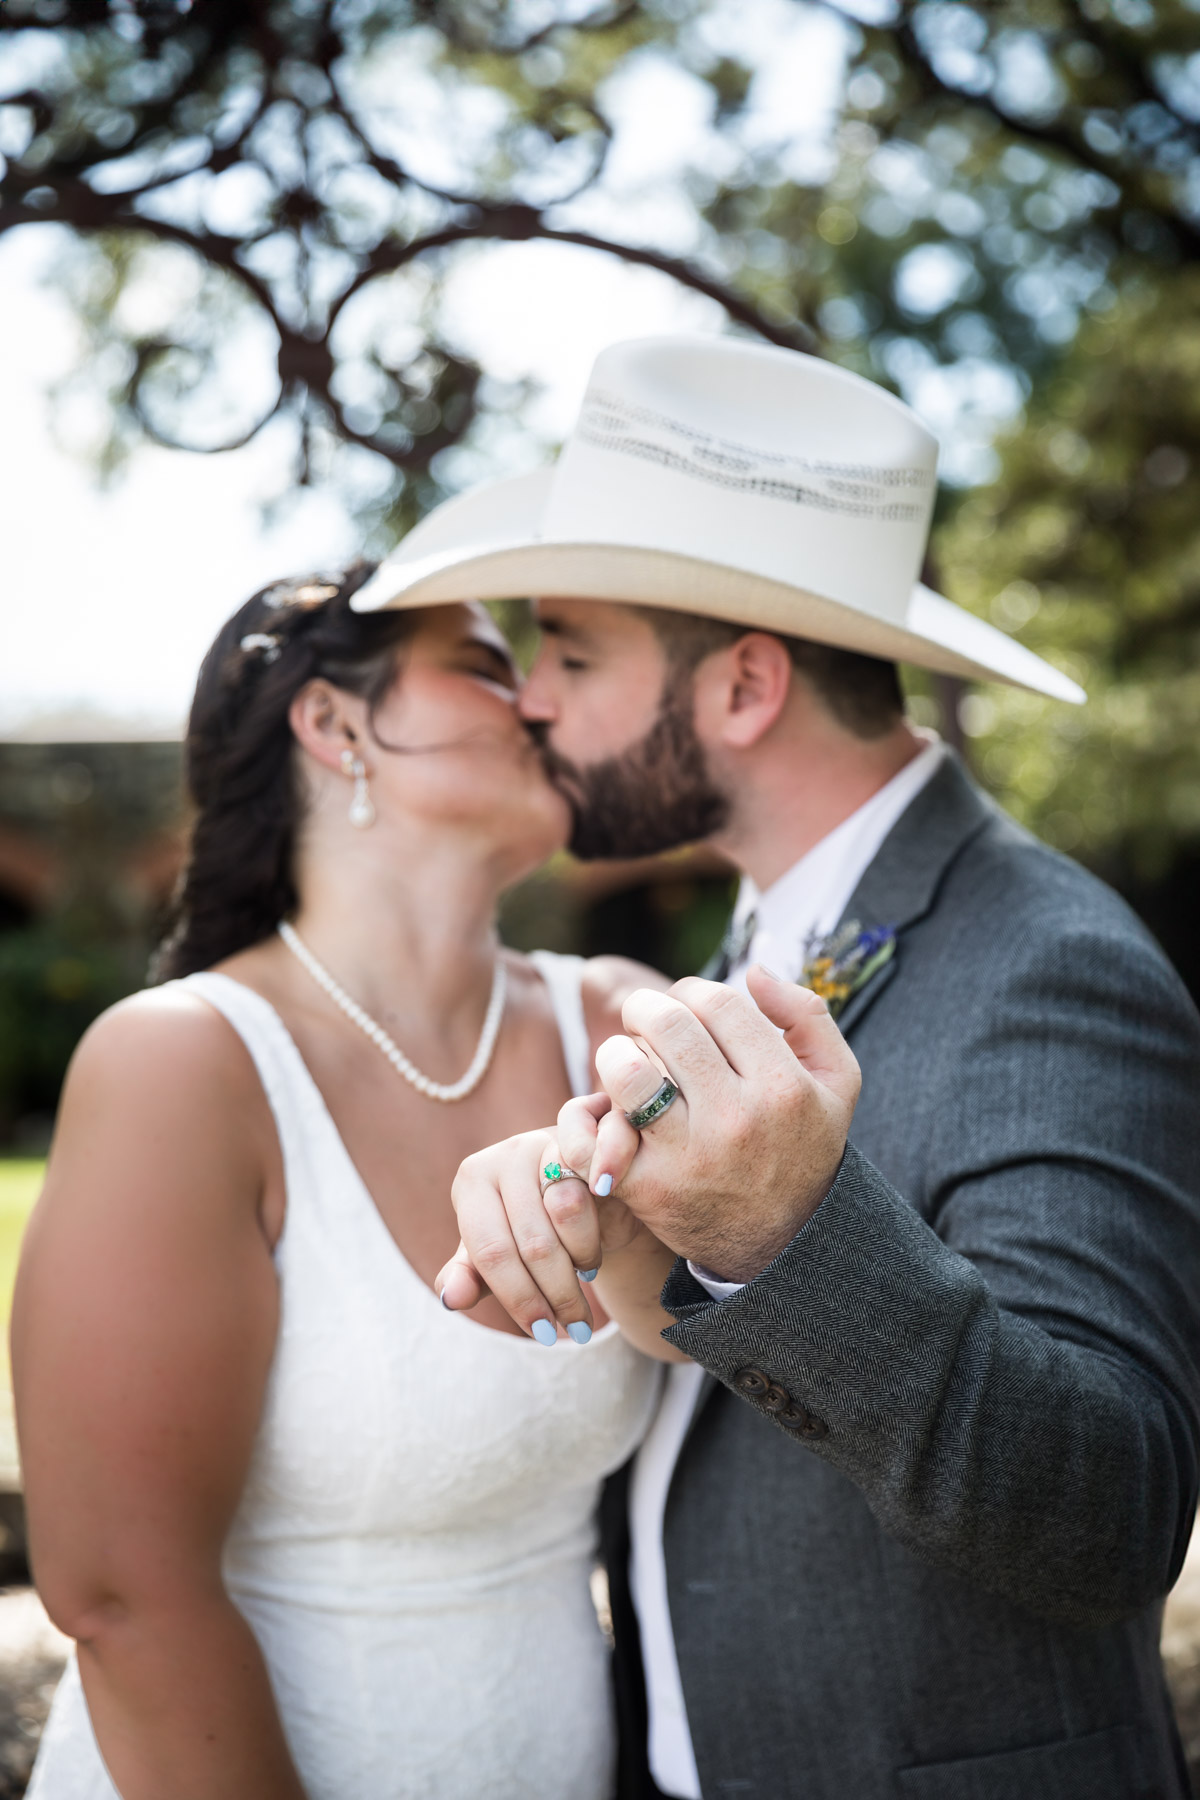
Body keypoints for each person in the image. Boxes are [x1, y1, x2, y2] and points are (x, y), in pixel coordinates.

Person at [354, 336, 1200, 1797]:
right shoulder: (761, 933)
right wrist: (628, 1259)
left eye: (572, 652)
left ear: (745, 686)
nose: (534, 700)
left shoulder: (1052, 958)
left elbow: (1111, 1513)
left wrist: (781, 1236)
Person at [12, 566, 669, 1800]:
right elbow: (120, 1598)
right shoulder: (184, 1062)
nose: (538, 696)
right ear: (333, 723)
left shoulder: (613, 1024)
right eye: (483, 661)